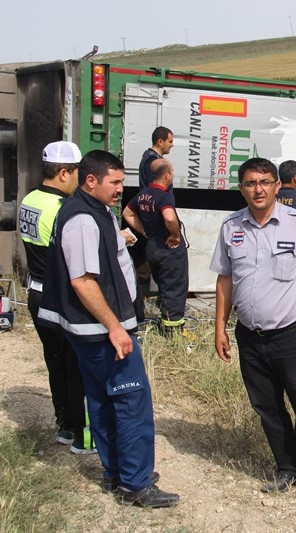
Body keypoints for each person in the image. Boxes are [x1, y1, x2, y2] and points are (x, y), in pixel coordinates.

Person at [37, 150, 179, 508]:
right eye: (114, 182)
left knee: (102, 400)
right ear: (90, 181)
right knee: (131, 402)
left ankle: (117, 471)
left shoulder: (94, 210)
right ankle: (135, 484)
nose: (121, 189)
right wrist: (115, 328)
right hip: (101, 333)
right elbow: (83, 281)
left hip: (95, 330)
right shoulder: (82, 219)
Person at [210, 157, 296, 502]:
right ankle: (287, 467)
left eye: (265, 182)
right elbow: (225, 280)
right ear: (241, 189)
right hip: (250, 336)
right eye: (251, 183)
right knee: (267, 407)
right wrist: (219, 327)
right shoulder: (230, 228)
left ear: (277, 186)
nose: (258, 189)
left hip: (292, 335)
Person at [18, 141, 95, 454]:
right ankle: (81, 436)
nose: (79, 178)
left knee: (56, 362)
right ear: (64, 172)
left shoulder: (29, 200)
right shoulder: (63, 209)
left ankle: (64, 426)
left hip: (36, 295)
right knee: (77, 366)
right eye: (77, 171)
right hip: (59, 297)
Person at [122, 159, 189, 336]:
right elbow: (169, 217)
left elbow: (127, 213)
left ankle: (166, 321)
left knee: (164, 287)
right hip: (168, 248)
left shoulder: (144, 194)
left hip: (152, 247)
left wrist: (144, 231)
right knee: (175, 288)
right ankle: (173, 332)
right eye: (172, 170)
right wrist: (175, 235)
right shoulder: (164, 195)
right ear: (167, 174)